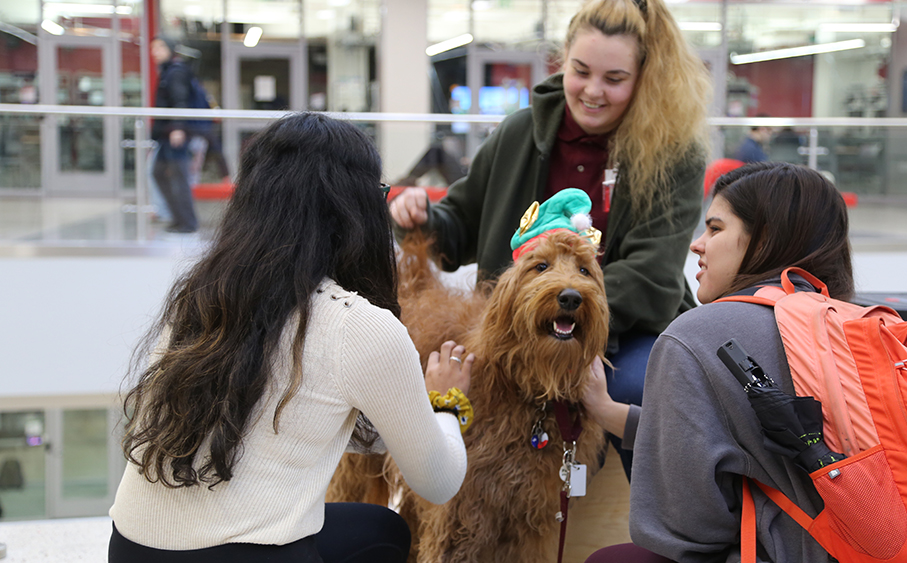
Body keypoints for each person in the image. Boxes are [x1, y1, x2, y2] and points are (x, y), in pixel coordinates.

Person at [108, 113, 475, 563]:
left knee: (379, 529)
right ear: (353, 211)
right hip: (242, 556)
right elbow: (437, 481)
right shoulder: (360, 326)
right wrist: (446, 402)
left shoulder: (202, 294)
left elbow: (370, 434)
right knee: (387, 535)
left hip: (131, 549)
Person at [389, 0, 711, 480]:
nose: (593, 91)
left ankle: (659, 535)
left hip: (625, 330)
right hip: (513, 328)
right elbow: (459, 224)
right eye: (581, 72)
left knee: (648, 387)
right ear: (563, 61)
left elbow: (653, 276)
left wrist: (569, 305)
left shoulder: (673, 154)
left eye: (614, 79)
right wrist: (419, 219)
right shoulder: (521, 132)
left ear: (645, 77)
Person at [582, 161, 851, 562]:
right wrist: (606, 411)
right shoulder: (848, 321)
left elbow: (684, 531)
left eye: (715, 228)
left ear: (763, 241)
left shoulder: (695, 335)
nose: (697, 243)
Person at [151, 37, 199, 233]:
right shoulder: (167, 72)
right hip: (166, 134)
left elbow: (180, 100)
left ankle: (187, 222)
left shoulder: (175, 72)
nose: (155, 52)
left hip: (174, 134)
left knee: (179, 176)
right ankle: (179, 218)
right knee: (159, 173)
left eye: (160, 47)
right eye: (153, 48)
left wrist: (178, 128)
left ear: (170, 49)